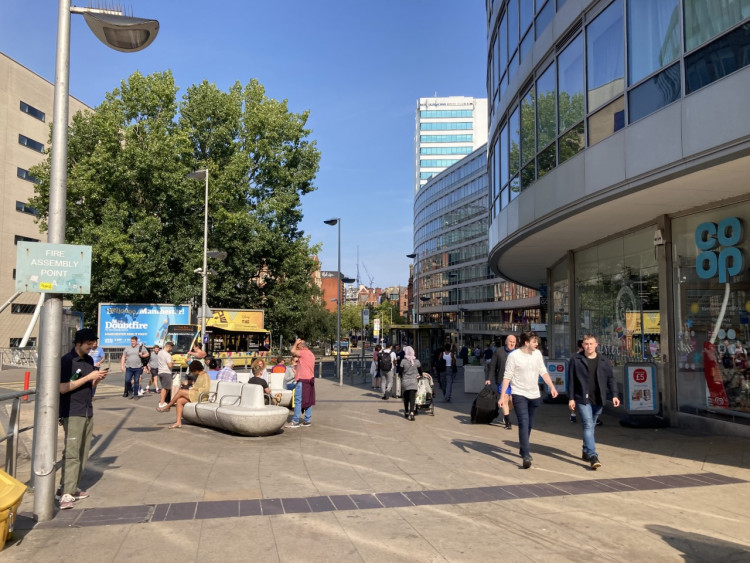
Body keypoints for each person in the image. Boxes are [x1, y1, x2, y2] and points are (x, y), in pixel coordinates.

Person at [58, 328, 109, 509]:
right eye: (89, 344)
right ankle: (66, 494)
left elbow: (87, 384)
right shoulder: (67, 361)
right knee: (72, 453)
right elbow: (62, 388)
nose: (92, 347)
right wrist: (89, 376)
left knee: (82, 452)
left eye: (93, 344)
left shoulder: (88, 360)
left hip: (87, 410)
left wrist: (97, 379)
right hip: (72, 411)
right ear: (79, 343)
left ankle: (68, 486)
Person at [499, 331, 559, 469]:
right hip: (519, 394)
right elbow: (507, 377)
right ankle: (526, 454)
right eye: (534, 341)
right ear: (526, 342)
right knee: (523, 422)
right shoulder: (514, 356)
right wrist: (502, 397)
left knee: (530, 424)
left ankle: (522, 446)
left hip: (534, 394)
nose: (537, 344)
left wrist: (552, 387)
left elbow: (543, 371)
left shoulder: (537, 354)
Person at [567, 334, 620, 469]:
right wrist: (571, 398)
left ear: (596, 345)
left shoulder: (603, 360)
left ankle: (585, 449)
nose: (588, 346)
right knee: (588, 425)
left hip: (599, 398)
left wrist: (614, 395)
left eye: (591, 344)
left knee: (592, 424)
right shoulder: (576, 359)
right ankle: (593, 455)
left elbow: (611, 379)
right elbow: (571, 380)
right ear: (582, 345)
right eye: (586, 344)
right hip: (582, 398)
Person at [156, 360, 210, 428]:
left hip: (201, 396)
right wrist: (191, 386)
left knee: (181, 391)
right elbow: (196, 386)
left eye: (192, 371)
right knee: (179, 401)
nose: (192, 373)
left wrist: (193, 389)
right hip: (196, 394)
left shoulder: (205, 375)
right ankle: (178, 422)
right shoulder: (199, 375)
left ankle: (168, 406)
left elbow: (206, 389)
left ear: (196, 369)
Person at [486, 334, 517, 429]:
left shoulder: (518, 353)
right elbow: (492, 366)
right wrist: (489, 379)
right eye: (510, 342)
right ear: (506, 342)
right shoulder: (498, 352)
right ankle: (508, 422)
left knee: (513, 401)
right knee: (505, 398)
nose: (512, 344)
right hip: (502, 380)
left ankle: (506, 411)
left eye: (514, 342)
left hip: (516, 381)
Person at [286, 338, 315, 428]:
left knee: (298, 400)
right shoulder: (311, 354)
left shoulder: (303, 353)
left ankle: (295, 421)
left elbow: (292, 351)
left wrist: (295, 343)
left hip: (302, 380)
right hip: (310, 380)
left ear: (301, 347)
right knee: (308, 400)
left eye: (298, 347)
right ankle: (307, 420)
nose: (297, 348)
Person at [401, 346, 421, 421]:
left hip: (405, 382)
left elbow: (400, 371)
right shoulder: (417, 361)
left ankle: (406, 411)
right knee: (412, 398)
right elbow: (420, 370)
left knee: (406, 397)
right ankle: (412, 413)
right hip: (413, 382)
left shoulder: (403, 361)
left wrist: (402, 375)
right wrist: (420, 375)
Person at [157, 341, 174, 409]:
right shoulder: (167, 355)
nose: (171, 350)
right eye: (171, 348)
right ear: (169, 347)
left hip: (160, 371)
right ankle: (161, 403)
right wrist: (173, 363)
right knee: (165, 388)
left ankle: (162, 401)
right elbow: (169, 365)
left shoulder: (160, 352)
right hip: (166, 372)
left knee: (165, 387)